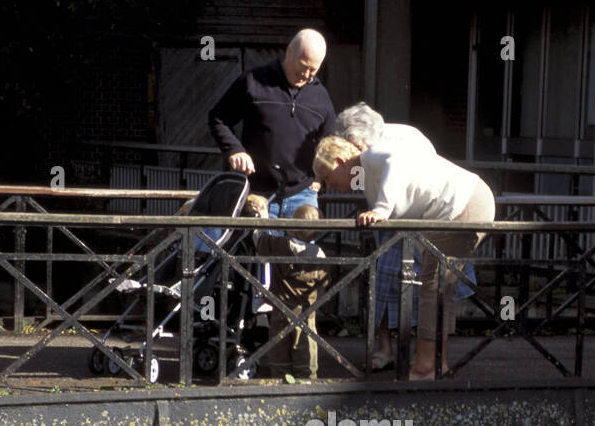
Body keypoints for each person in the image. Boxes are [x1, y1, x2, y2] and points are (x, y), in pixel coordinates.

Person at [314, 118, 495, 379]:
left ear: (340, 163)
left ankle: (425, 368)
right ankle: (435, 364)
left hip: (463, 204)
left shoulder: (371, 155)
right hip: (463, 203)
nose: (329, 188)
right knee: (439, 286)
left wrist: (381, 209)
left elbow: (396, 162)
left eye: (328, 178)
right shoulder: (369, 170)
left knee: (433, 286)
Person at [208, 29, 337, 221]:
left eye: (313, 70)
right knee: (258, 250)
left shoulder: (321, 97)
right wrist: (234, 150)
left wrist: (322, 179)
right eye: (303, 66)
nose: (306, 74)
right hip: (256, 193)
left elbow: (330, 144)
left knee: (302, 252)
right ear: (289, 52)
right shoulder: (253, 81)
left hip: (303, 196)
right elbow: (218, 117)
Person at [251, 201, 328, 380]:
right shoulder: (318, 253)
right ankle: (307, 398)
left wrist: (263, 217)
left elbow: (259, 238)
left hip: (280, 313)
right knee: (307, 366)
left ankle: (281, 396)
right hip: (306, 316)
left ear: (291, 228)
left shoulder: (278, 245)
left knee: (279, 365)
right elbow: (325, 280)